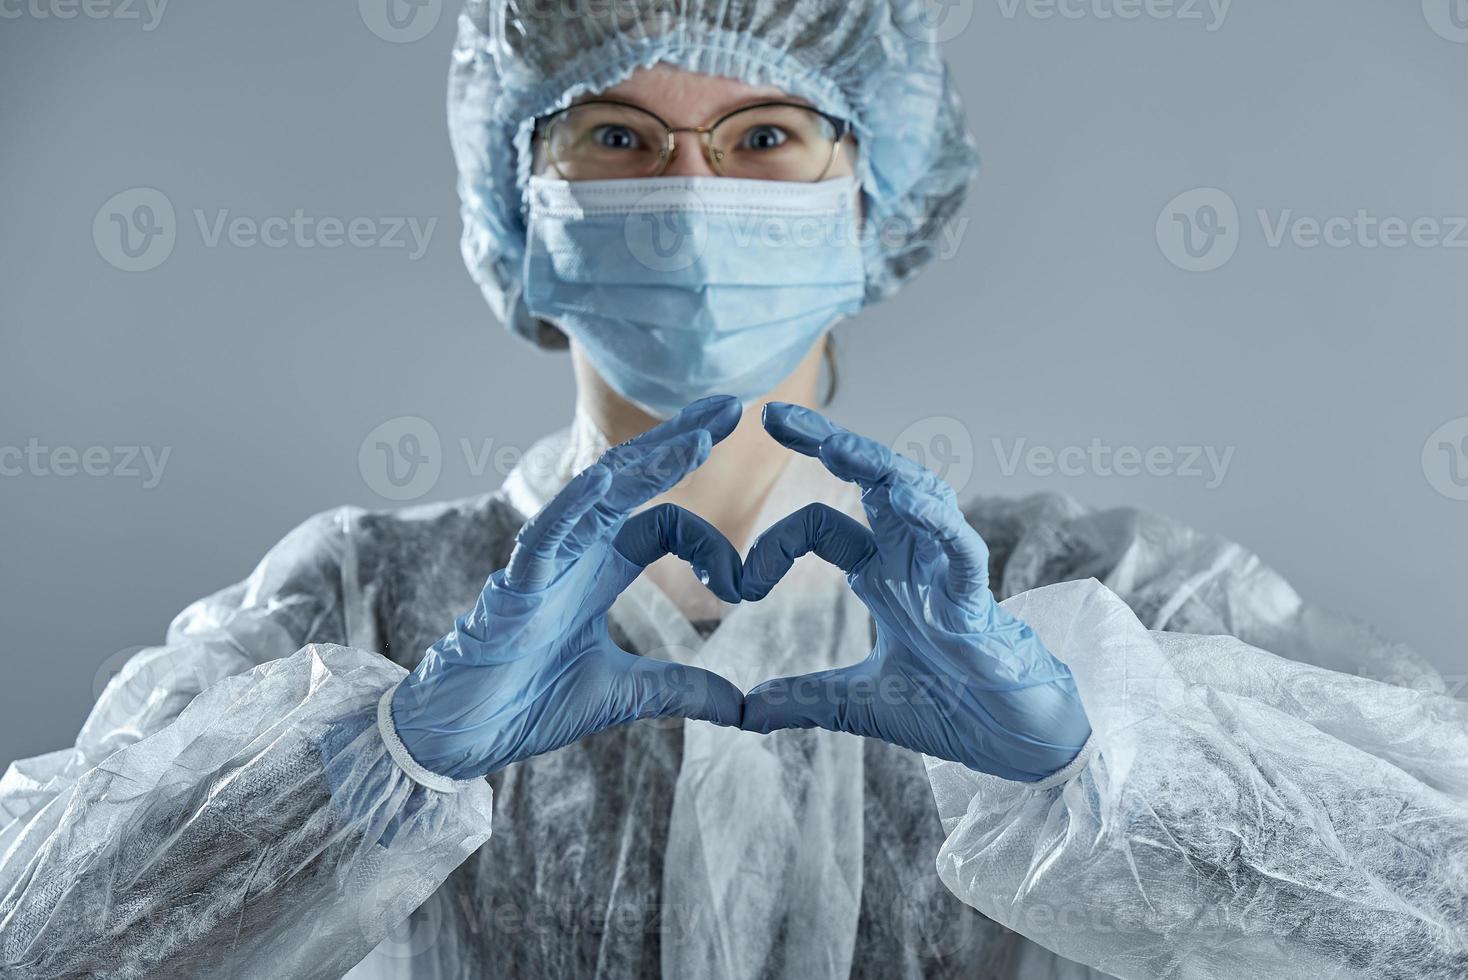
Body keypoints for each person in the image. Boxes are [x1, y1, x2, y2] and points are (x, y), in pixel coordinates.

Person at [2, 1, 1465, 977]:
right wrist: (379, 760)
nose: (691, 190)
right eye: (618, 141)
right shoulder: (358, 606)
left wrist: (1125, 779)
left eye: (765, 136)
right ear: (522, 207)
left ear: (868, 196)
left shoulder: (1107, 604)